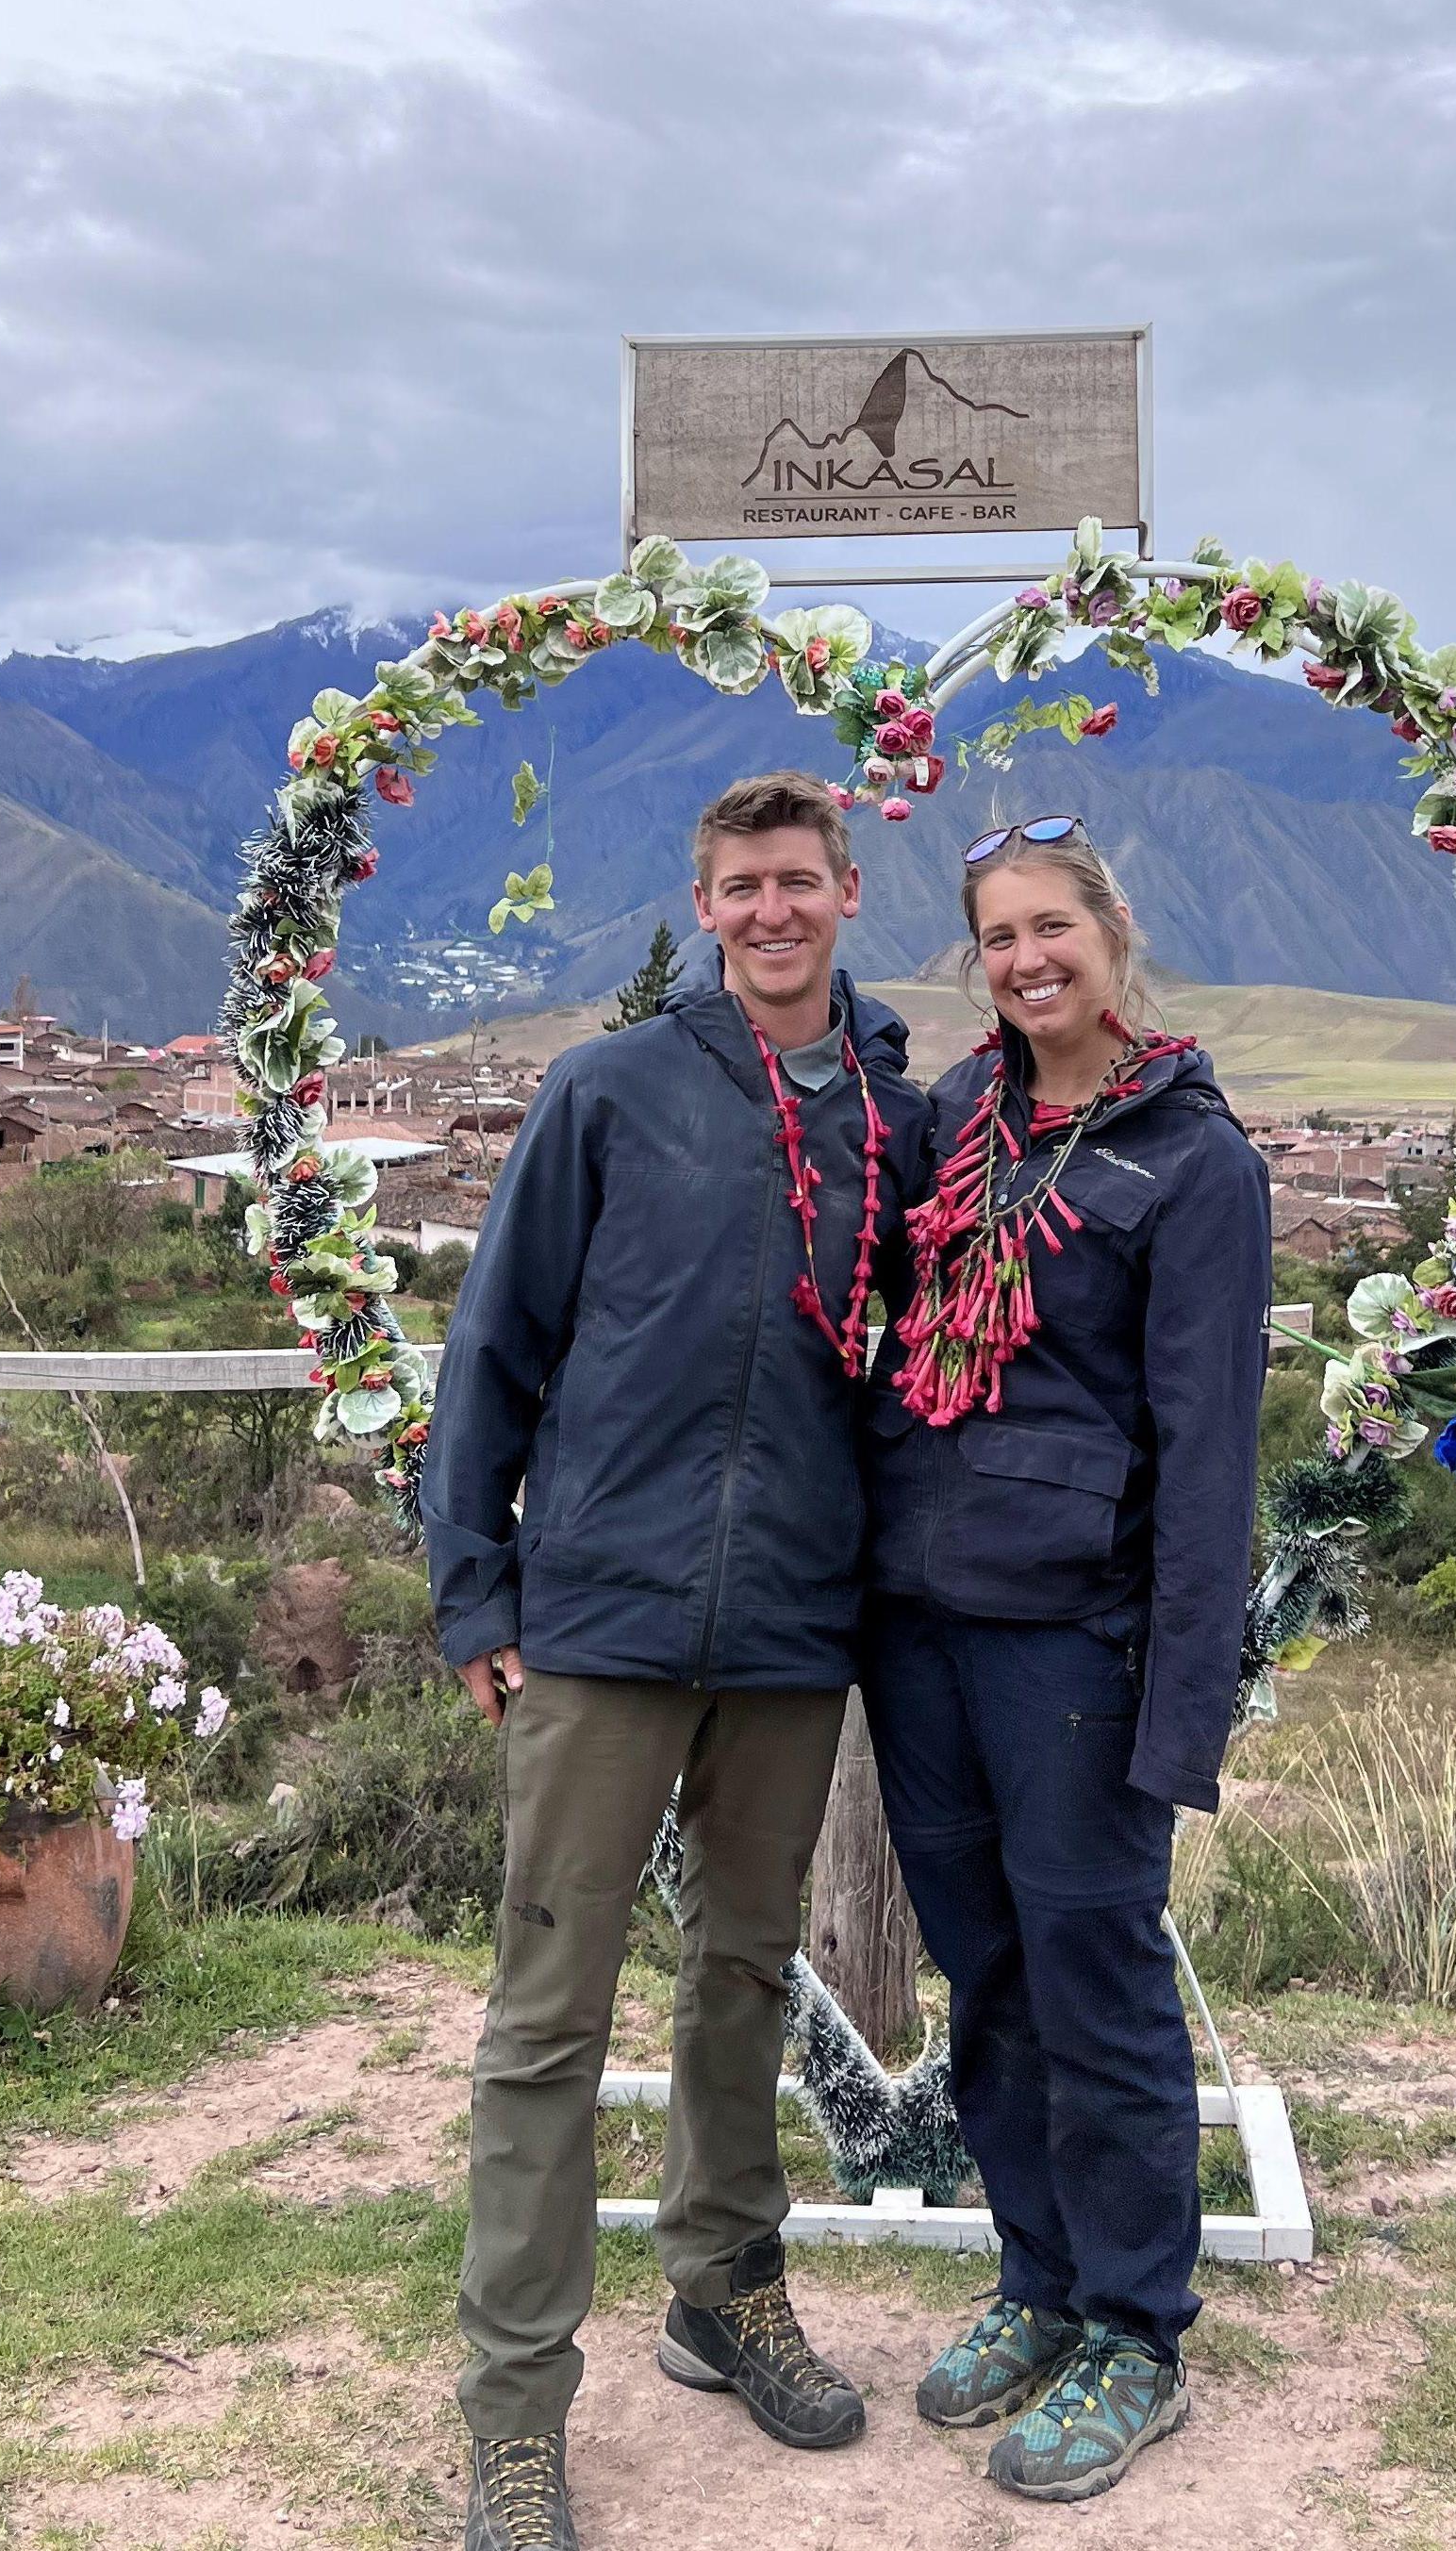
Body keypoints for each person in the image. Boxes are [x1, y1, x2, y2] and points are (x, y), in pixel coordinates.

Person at [424, 770, 931, 2551]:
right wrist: (475, 1591)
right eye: (741, 886)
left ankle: (723, 2287)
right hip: (601, 1621)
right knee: (547, 2020)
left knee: (744, 1978)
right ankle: (513, 2409)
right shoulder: (612, 1092)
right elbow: (495, 1347)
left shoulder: (904, 1119)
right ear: (705, 907)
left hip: (794, 1629)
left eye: (800, 880)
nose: (773, 910)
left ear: (847, 893)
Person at [859, 815, 1273, 2505]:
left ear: (1113, 929)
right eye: (999, 938)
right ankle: (1036, 2279)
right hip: (923, 1625)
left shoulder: (1194, 1163)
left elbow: (1209, 1456)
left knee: (1098, 1987)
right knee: (988, 1974)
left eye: (1055, 928)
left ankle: (1135, 2330)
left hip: (1079, 1645)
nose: (1030, 961)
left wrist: (1186, 1714)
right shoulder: (961, 1122)